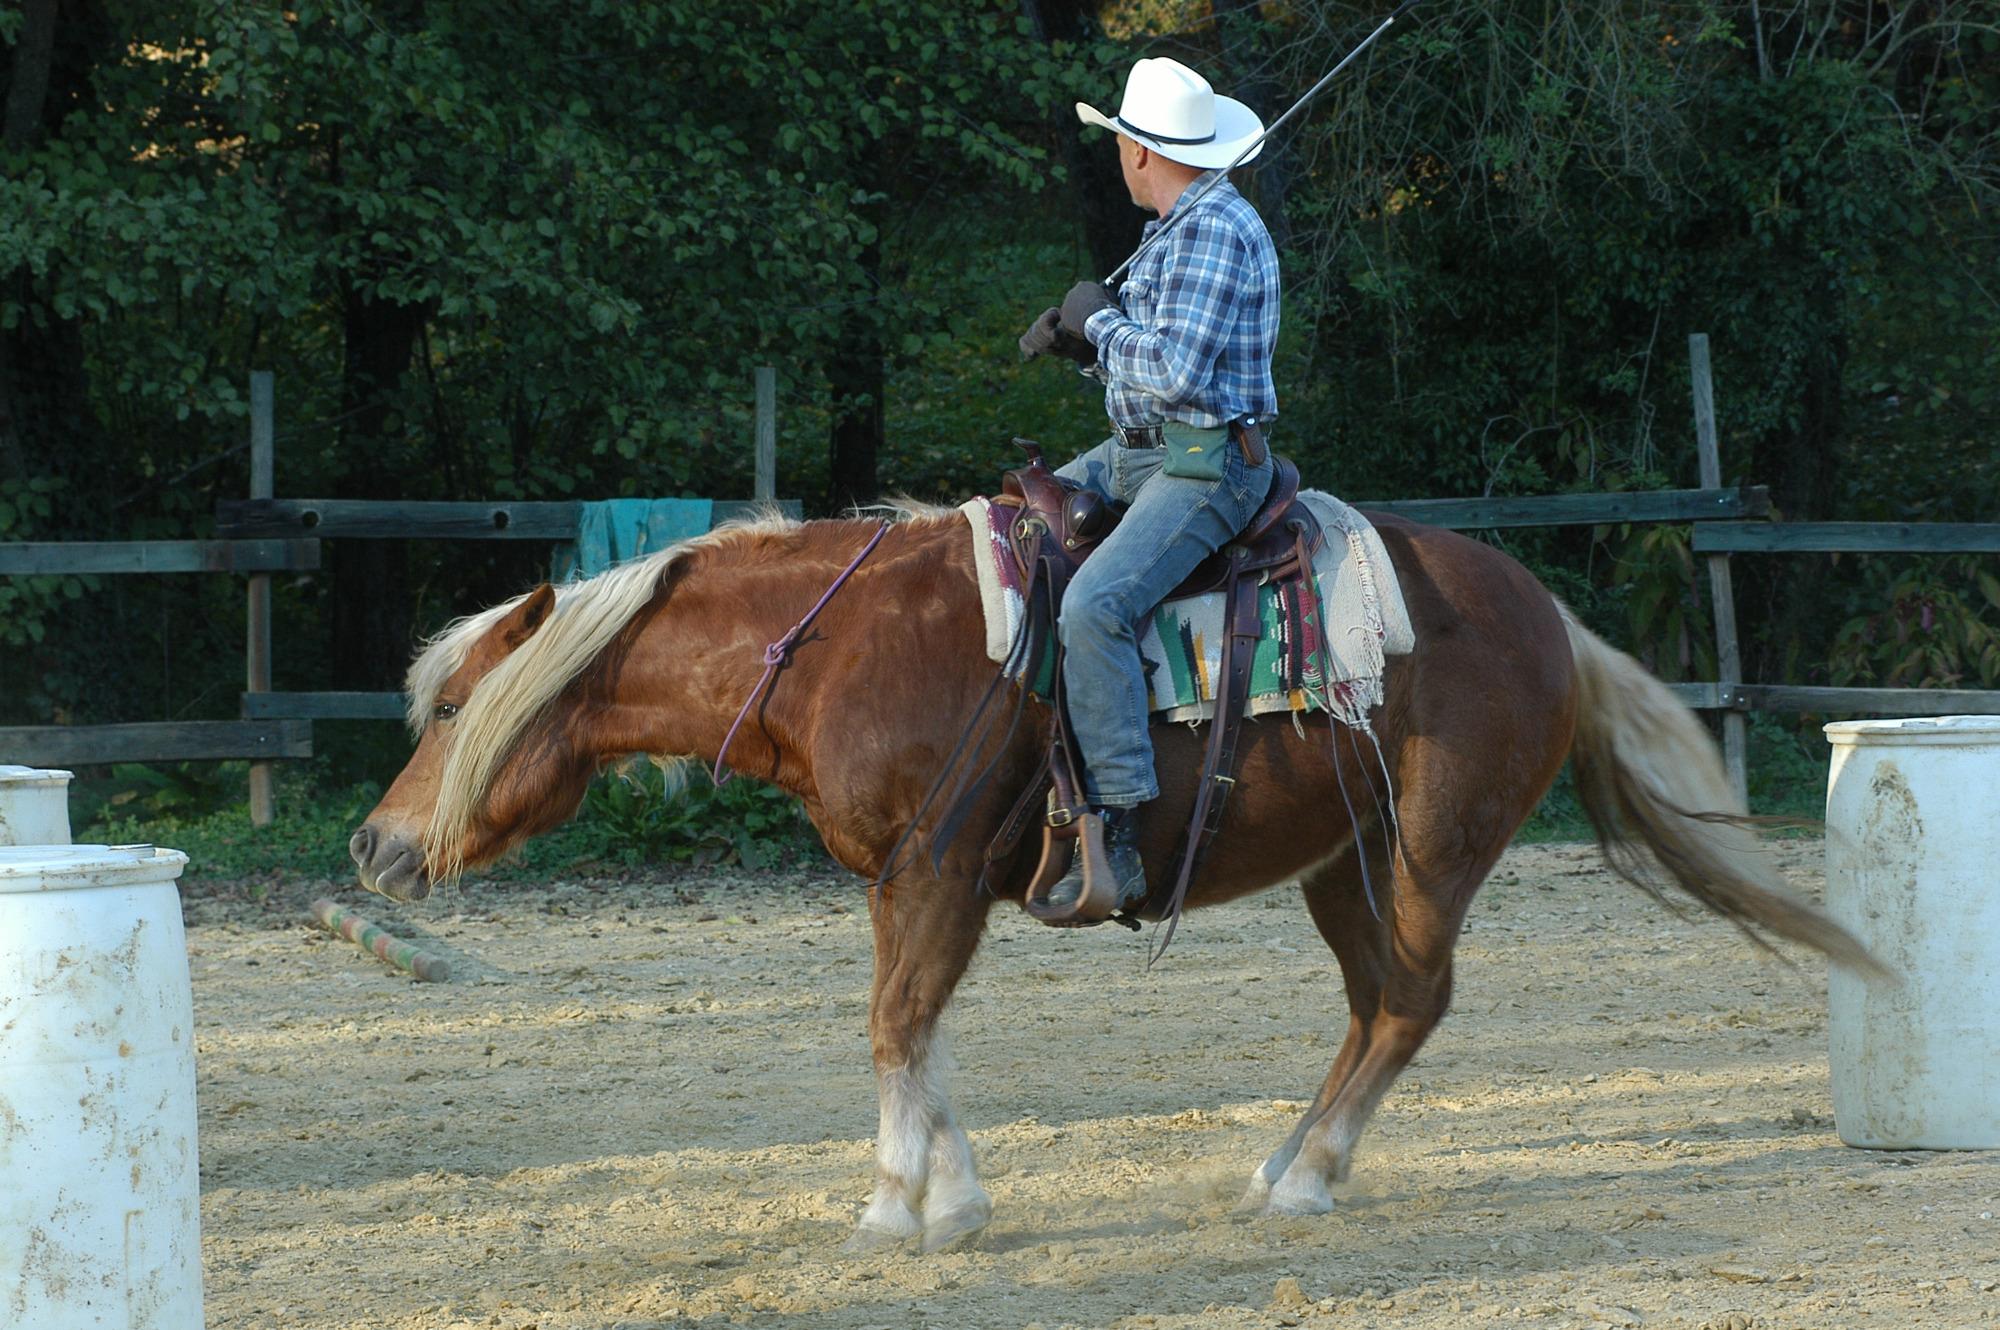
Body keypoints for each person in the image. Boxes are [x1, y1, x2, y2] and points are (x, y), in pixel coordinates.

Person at [1018, 56, 1280, 916]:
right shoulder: (1176, 225)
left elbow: (1175, 370)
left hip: (1210, 462)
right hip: (1146, 448)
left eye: (1120, 141)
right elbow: (1145, 369)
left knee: (1096, 605)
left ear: (1137, 151)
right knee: (1015, 522)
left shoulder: (1213, 231)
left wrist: (1100, 325)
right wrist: (1086, 344)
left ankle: (1124, 832)